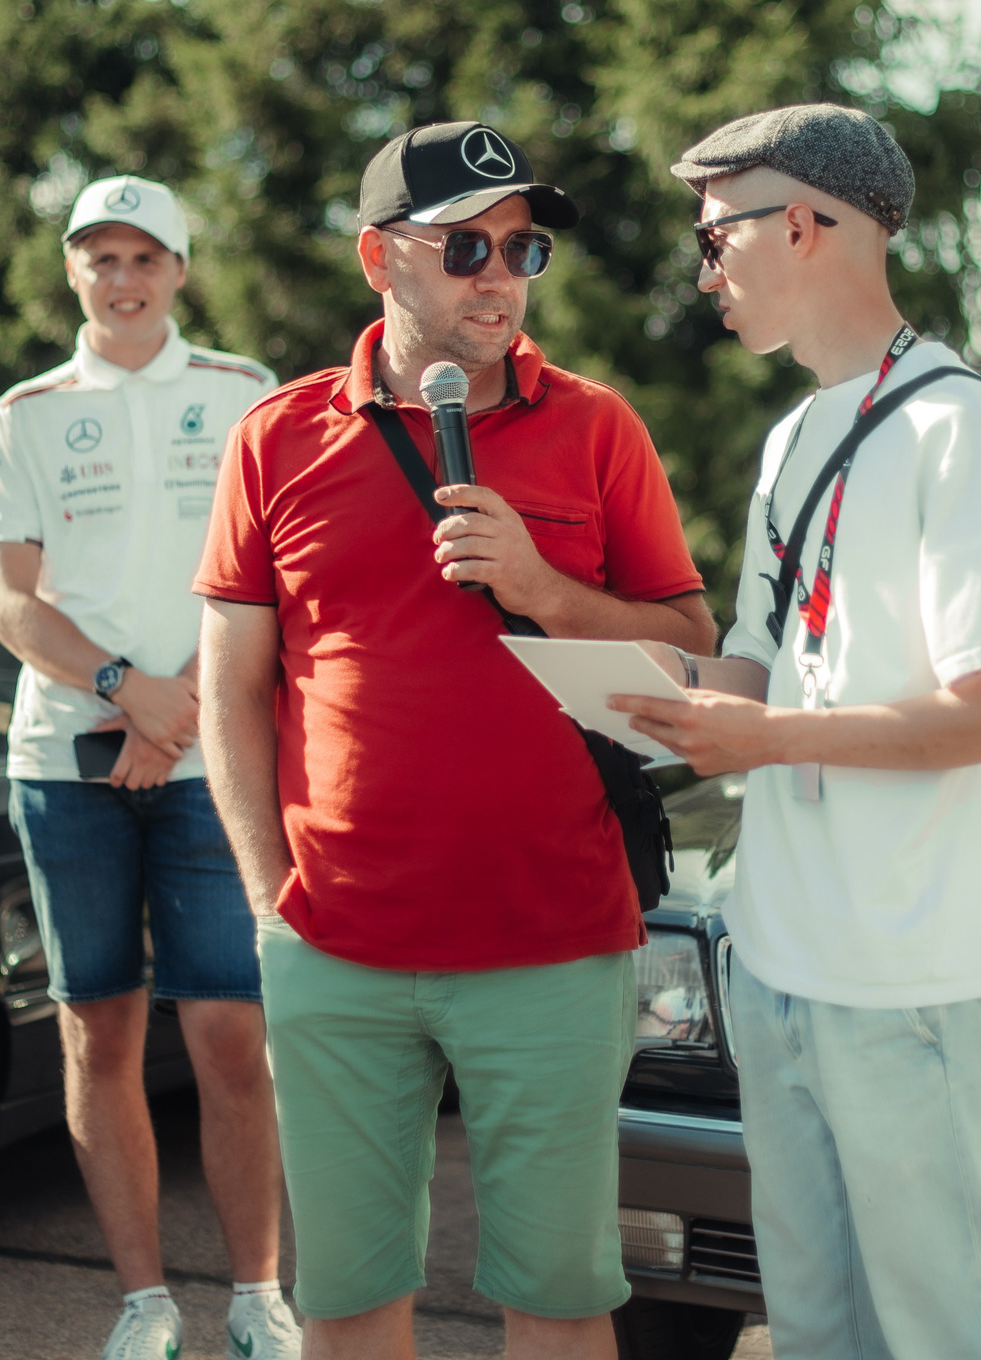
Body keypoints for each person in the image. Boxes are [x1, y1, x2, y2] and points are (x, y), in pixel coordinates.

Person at [193, 121, 716, 1360]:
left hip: (552, 939)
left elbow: (690, 647)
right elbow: (228, 690)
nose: (500, 275)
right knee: (350, 1297)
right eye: (466, 245)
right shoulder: (275, 437)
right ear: (381, 257)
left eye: (522, 246)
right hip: (337, 943)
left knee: (559, 1294)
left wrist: (544, 588)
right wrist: (270, 894)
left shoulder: (598, 429)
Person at [611, 103, 981, 1360]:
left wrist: (763, 741)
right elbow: (763, 673)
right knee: (816, 1330)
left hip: (907, 968)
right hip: (778, 954)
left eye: (718, 238)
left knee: (952, 1330)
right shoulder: (794, 436)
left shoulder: (955, 428)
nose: (707, 270)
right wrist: (612, 667)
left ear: (806, 224)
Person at [0, 174, 302, 1360]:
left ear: (179, 268)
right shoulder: (27, 409)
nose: (122, 280)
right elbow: (9, 599)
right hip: (68, 762)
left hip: (213, 759)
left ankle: (259, 1296)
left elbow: (275, 578)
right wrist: (130, 693)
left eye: (144, 258)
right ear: (73, 270)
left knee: (228, 1029)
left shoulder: (243, 392)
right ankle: (143, 1302)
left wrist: (184, 717)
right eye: (99, 258)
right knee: (97, 1030)